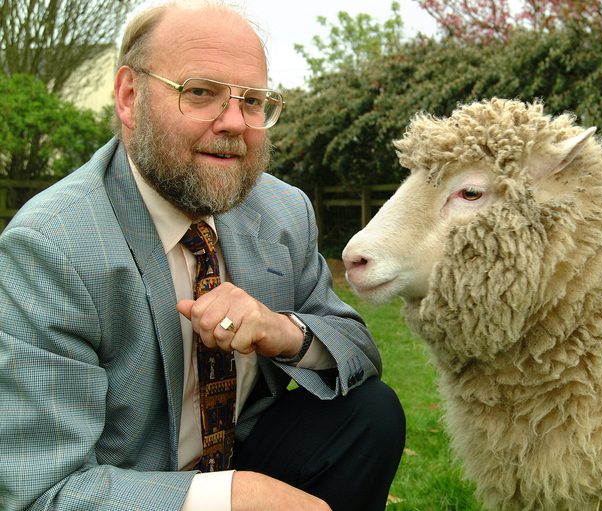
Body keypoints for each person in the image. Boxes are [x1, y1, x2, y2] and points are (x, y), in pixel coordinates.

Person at [0, 2, 405, 510]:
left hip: (248, 444)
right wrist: (229, 497)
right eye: (200, 92)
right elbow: (42, 490)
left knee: (372, 413)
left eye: (253, 101)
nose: (235, 122)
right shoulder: (52, 245)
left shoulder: (282, 210)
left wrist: (283, 331)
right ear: (130, 97)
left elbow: (360, 355)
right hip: (133, 487)